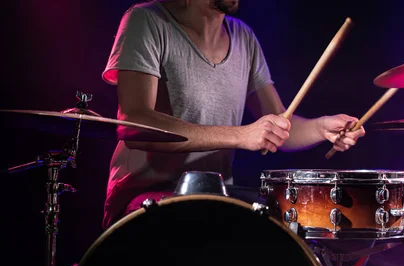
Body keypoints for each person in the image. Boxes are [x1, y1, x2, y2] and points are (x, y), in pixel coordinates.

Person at [101, 0, 366, 230]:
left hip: (211, 200)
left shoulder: (243, 37)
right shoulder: (147, 20)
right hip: (142, 204)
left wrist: (322, 128)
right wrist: (242, 135)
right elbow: (135, 125)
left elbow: (279, 128)